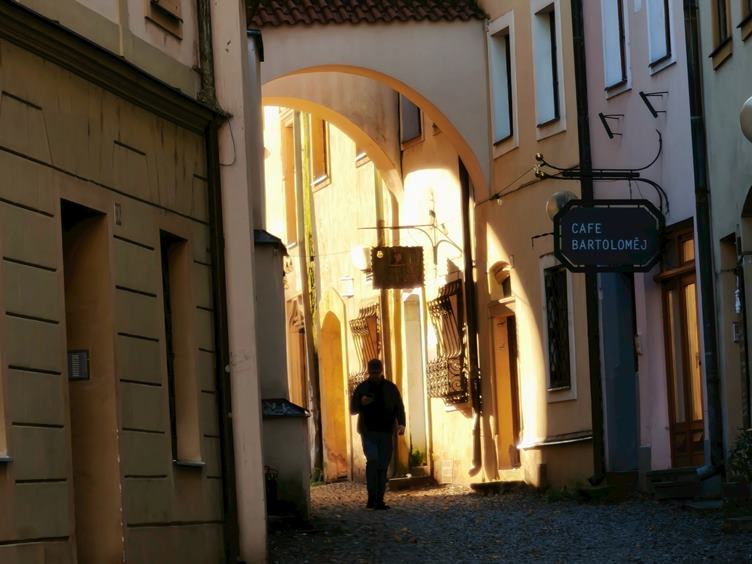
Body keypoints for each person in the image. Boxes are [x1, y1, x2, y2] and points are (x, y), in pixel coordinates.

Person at [350, 358, 406, 510]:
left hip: (386, 431)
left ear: (381, 372)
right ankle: (371, 498)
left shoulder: (390, 388)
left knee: (383, 465)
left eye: (377, 372)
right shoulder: (362, 388)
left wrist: (401, 424)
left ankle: (379, 499)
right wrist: (361, 403)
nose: (375, 375)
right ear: (369, 372)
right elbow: (352, 409)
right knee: (373, 461)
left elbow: (399, 406)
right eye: (372, 373)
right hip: (368, 431)